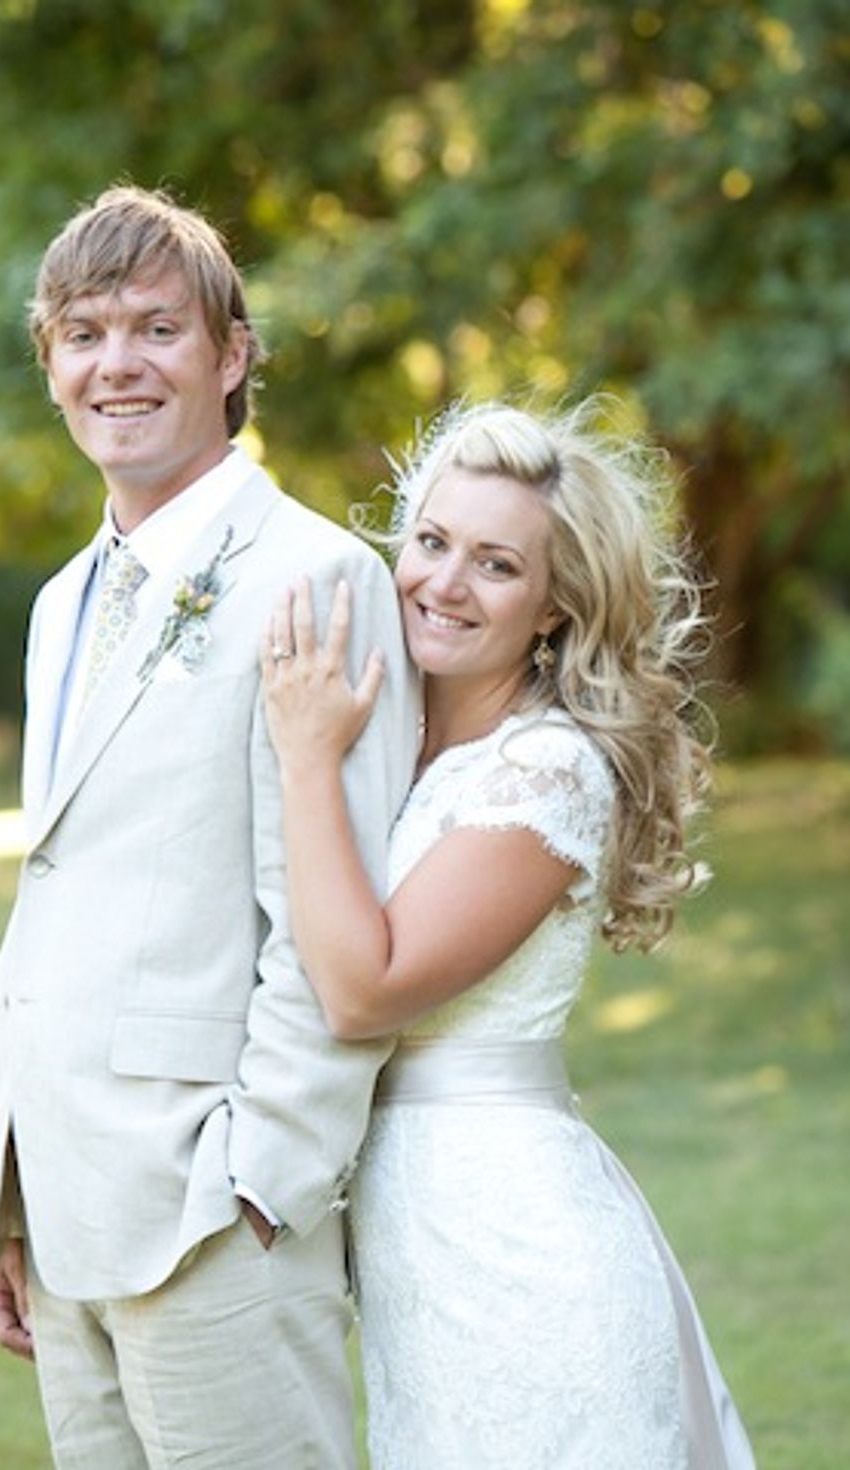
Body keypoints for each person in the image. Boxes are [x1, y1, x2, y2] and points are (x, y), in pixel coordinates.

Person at [0, 183, 418, 1469]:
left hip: (215, 1219)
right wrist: (13, 1196)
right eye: (84, 334)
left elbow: (331, 916)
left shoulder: (318, 578)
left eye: (157, 329)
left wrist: (261, 1184)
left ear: (231, 355)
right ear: (51, 366)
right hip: (62, 1211)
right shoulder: (58, 603)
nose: (119, 364)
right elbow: (67, 890)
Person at [260, 399, 758, 1470]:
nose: (443, 583)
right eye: (432, 542)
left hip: (523, 1260)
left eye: (495, 565)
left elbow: (361, 990)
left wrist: (303, 758)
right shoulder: (393, 745)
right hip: (416, 1263)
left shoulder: (547, 770)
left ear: (552, 606)